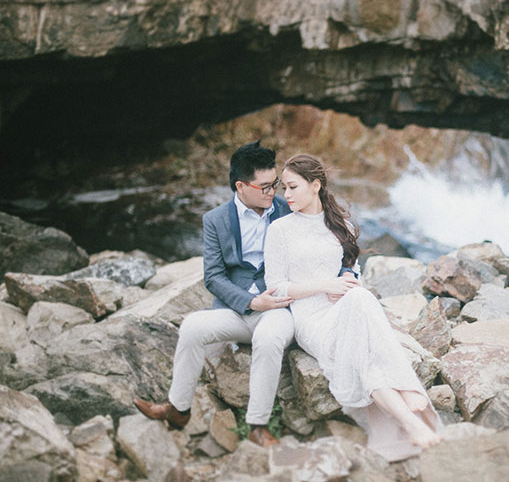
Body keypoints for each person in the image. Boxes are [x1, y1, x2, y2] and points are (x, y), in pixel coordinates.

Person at [134, 141, 352, 448]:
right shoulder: (215, 220)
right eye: (264, 187)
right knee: (193, 327)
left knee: (269, 339)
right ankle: (178, 408)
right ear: (240, 186)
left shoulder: (289, 208)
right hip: (238, 309)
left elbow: (330, 244)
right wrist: (250, 301)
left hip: (281, 308)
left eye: (275, 184)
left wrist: (344, 274)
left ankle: (257, 425)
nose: (274, 193)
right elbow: (213, 276)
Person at [264, 154, 443, 461]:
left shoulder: (340, 224)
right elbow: (276, 287)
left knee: (361, 307)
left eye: (293, 187)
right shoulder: (280, 229)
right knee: (364, 325)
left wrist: (347, 281)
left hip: (343, 306)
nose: (286, 195)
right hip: (310, 317)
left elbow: (353, 271)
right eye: (284, 188)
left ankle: (409, 425)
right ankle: (409, 398)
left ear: (315, 185)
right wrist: (326, 285)